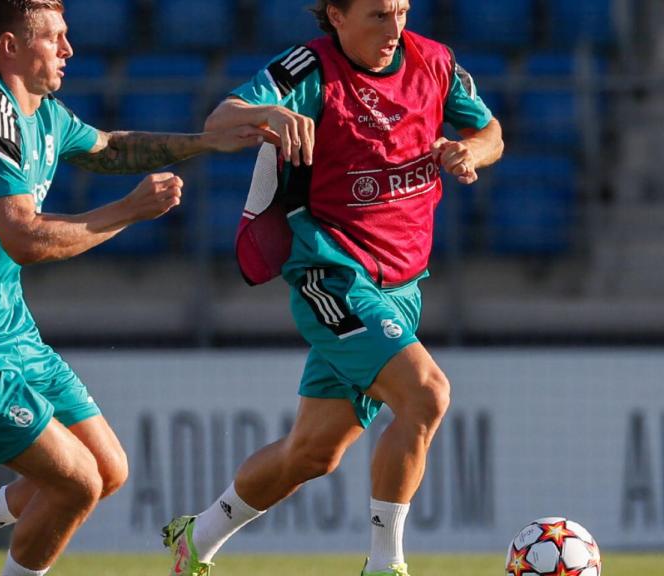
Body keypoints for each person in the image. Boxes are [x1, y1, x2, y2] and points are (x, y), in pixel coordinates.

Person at [0, 1, 264, 575]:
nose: (68, 49)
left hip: (10, 332)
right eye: (55, 38)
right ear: (11, 47)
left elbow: (110, 148)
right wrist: (129, 211)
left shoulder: (44, 114)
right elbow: (26, 239)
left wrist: (206, 142)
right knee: (76, 483)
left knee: (106, 470)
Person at [162, 1, 504, 575]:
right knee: (426, 394)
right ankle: (385, 564)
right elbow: (220, 121)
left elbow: (491, 131)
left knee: (312, 453)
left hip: (403, 286)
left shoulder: (436, 62)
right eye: (378, 15)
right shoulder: (308, 70)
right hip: (334, 275)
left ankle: (197, 536)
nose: (395, 29)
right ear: (336, 15)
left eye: (401, 11)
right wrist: (268, 113)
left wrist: (471, 150)